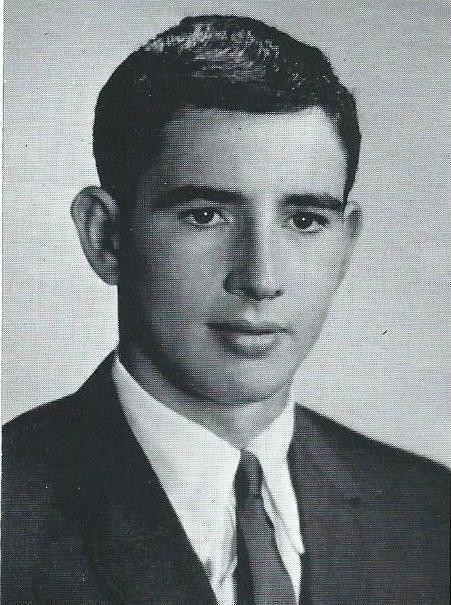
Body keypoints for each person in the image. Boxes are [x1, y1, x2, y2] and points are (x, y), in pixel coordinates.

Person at [2, 15, 449, 605]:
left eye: (304, 221)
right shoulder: (12, 512)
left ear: (345, 244)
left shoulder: (430, 513)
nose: (261, 279)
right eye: (204, 216)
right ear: (106, 236)